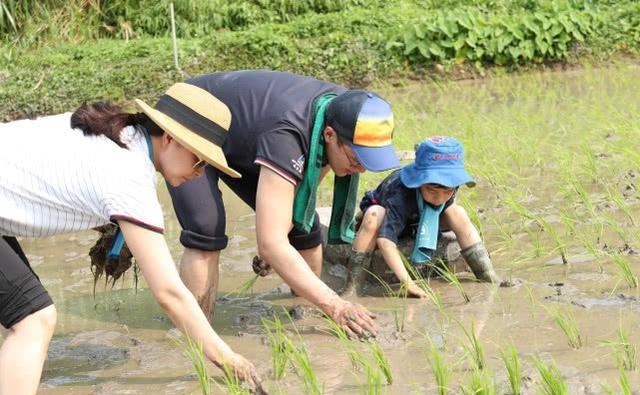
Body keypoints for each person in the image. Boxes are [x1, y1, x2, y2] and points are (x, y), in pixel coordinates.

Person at [0, 82, 262, 395]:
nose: (200, 172)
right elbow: (169, 293)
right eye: (199, 159)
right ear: (169, 138)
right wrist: (226, 357)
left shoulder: (118, 134)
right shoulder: (130, 175)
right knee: (34, 319)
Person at [165, 70, 400, 338]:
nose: (361, 170)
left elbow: (302, 196)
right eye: (357, 160)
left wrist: (276, 241)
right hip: (192, 118)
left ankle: (304, 318)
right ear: (330, 135)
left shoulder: (341, 111)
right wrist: (336, 304)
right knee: (206, 228)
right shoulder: (288, 135)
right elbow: (271, 242)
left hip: (247, 136)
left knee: (304, 228)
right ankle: (196, 335)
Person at [343, 136, 500, 298]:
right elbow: (385, 241)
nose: (439, 198)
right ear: (418, 182)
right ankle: (352, 288)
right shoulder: (400, 193)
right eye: (432, 191)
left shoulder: (450, 187)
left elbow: (448, 205)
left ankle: (487, 275)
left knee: (458, 212)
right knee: (374, 215)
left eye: (447, 192)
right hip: (389, 217)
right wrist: (408, 283)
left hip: (420, 219)